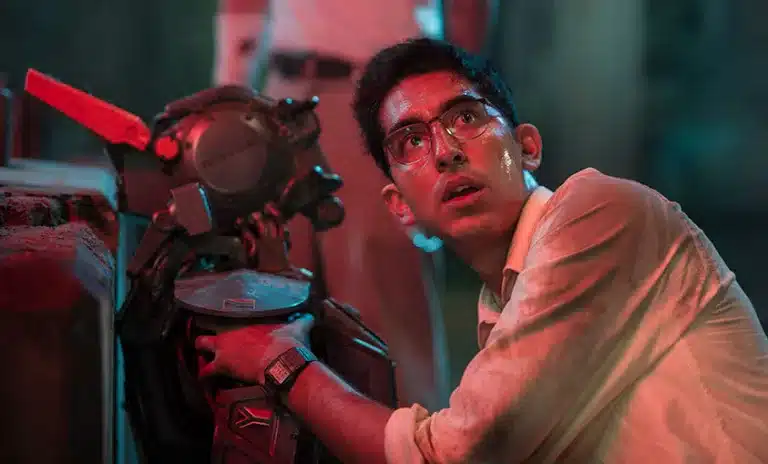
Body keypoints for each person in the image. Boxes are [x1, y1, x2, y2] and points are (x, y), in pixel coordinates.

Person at [195, 38, 768, 463]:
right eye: (410, 140)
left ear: (527, 147)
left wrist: (281, 362)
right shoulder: (500, 308)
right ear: (400, 207)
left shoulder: (599, 212)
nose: (445, 152)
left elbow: (451, 453)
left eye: (465, 117)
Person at [211, 0, 498, 410]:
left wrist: (454, 101)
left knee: (382, 312)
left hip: (383, 92)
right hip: (282, 93)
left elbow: (467, 7)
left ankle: (411, 435)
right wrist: (228, 92)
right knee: (277, 297)